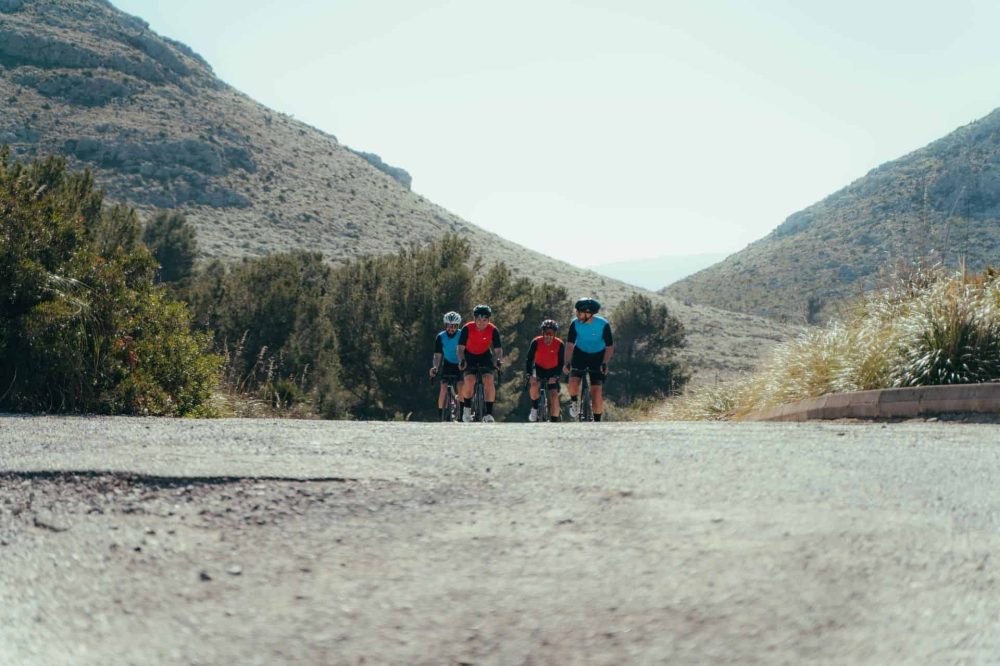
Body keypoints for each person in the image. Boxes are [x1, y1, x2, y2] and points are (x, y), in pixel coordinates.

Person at [563, 297, 614, 422]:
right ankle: (574, 401)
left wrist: (604, 363)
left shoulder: (603, 325)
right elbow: (570, 345)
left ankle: (597, 420)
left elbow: (609, 346)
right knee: (573, 381)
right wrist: (567, 363)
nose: (577, 315)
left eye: (579, 312)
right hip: (580, 354)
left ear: (588, 313)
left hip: (598, 356)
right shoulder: (574, 324)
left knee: (596, 391)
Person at [457, 304, 503, 423]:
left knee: (488, 379)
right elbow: (460, 348)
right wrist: (462, 360)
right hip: (469, 355)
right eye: (479, 320)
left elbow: (498, 350)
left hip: (485, 355)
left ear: (488, 320)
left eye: (485, 320)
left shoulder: (493, 329)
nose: (481, 323)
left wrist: (496, 361)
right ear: (475, 319)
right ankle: (466, 410)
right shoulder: (467, 328)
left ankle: (488, 414)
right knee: (470, 380)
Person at [525, 319, 565, 422]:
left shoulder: (559, 344)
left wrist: (556, 376)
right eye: (546, 333)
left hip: (553, 371)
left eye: (551, 334)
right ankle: (534, 408)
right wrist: (529, 374)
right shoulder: (536, 342)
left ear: (554, 334)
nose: (548, 336)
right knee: (534, 384)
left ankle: (554, 420)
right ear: (542, 333)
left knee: (554, 394)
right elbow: (529, 359)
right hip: (538, 368)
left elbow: (561, 363)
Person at [429, 311, 464, 419]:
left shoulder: (462, 334)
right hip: (448, 363)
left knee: (460, 386)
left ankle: (462, 413)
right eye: (449, 326)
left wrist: (463, 363)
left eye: (454, 326)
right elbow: (437, 355)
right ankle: (440, 415)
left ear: (457, 326)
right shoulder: (440, 337)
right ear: (445, 325)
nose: (451, 328)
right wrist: (435, 367)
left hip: (460, 363)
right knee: (443, 388)